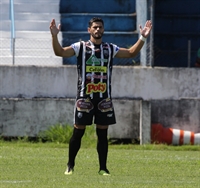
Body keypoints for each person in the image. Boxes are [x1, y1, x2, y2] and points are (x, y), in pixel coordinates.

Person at [49, 17, 152, 176]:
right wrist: (54, 36)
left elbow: (131, 53)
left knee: (102, 134)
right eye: (95, 27)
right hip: (84, 98)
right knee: (78, 132)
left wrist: (143, 37)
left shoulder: (110, 48)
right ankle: (70, 165)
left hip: (104, 99)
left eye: (100, 27)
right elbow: (60, 52)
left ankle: (103, 168)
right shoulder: (80, 47)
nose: (98, 30)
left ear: (103, 30)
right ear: (89, 30)